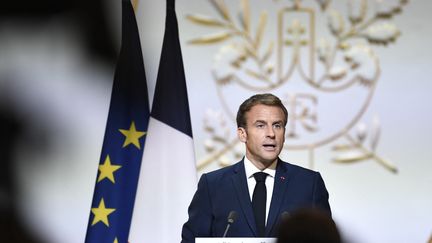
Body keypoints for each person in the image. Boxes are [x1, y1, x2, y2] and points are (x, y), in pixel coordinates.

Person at [181, 93, 331, 242]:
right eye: (261, 125)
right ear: (242, 134)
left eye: (277, 125)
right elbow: (191, 240)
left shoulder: (309, 183)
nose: (271, 134)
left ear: (284, 134)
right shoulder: (213, 184)